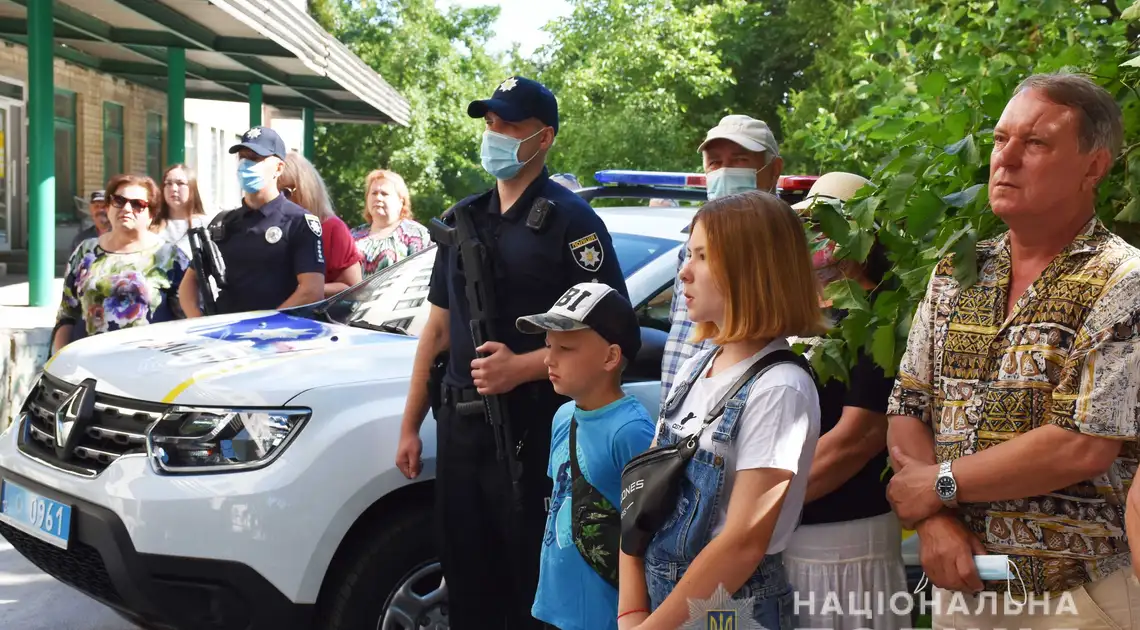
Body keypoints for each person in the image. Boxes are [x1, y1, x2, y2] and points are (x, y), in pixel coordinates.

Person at [887, 73, 1140, 628]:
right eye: (1001, 140)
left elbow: (1083, 444)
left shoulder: (1124, 280)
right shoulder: (958, 272)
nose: (1006, 159)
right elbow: (908, 407)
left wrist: (940, 482)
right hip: (964, 585)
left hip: (1077, 599)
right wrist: (933, 521)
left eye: (1036, 143)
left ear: (1094, 167)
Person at [394, 75, 628, 630]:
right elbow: (438, 331)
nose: (494, 133)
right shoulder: (462, 219)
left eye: (509, 124)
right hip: (460, 431)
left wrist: (520, 368)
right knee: (467, 577)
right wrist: (410, 424)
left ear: (542, 138)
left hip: (533, 429)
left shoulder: (572, 222)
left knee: (529, 582)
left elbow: (613, 335)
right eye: (490, 122)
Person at [618, 190, 824, 630]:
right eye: (686, 255)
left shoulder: (780, 387)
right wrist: (631, 611)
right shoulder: (697, 365)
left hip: (730, 611)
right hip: (665, 608)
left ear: (753, 270)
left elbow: (742, 545)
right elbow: (642, 500)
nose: (684, 272)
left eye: (702, 257)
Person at [785, 172, 908, 630]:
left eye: (831, 225)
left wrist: (760, 509)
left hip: (845, 545)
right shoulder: (821, 313)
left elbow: (858, 437)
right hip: (796, 538)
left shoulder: (883, 317)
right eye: (811, 226)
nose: (818, 240)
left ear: (865, 234)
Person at [515, 282, 655, 630]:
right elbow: (561, 504)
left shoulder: (631, 432)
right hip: (555, 607)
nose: (549, 358)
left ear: (610, 357)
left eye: (565, 347)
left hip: (605, 615)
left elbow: (650, 532)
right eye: (549, 346)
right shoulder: (563, 417)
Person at [660, 115, 785, 411]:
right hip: (678, 422)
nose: (725, 171)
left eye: (739, 160)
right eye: (715, 163)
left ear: (773, 170)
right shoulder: (689, 248)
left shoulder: (790, 249)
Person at [178, 126, 324, 317]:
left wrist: (266, 325)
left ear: (279, 168)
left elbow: (312, 290)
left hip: (277, 338)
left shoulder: (298, 222)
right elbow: (189, 283)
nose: (245, 164)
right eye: (242, 157)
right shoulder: (223, 223)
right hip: (224, 335)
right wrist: (199, 323)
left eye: (255, 158)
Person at [53, 174, 188, 354]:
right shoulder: (86, 251)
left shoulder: (169, 257)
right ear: (108, 207)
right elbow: (67, 314)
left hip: (148, 367)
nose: (126, 208)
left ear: (151, 215)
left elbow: (189, 320)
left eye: (137, 204)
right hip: (90, 365)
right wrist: (60, 358)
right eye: (119, 200)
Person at [279, 152, 363, 296]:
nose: (279, 199)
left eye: (286, 192)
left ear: (306, 189)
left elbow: (353, 288)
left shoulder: (333, 229)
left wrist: (307, 290)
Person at [351, 169, 430, 278]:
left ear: (401, 201)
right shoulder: (352, 236)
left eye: (384, 194)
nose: (378, 198)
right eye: (374, 193)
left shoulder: (416, 235)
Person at [151, 163, 208, 258]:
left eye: (180, 183)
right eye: (168, 183)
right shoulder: (150, 225)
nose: (173, 189)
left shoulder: (206, 225)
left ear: (192, 188)